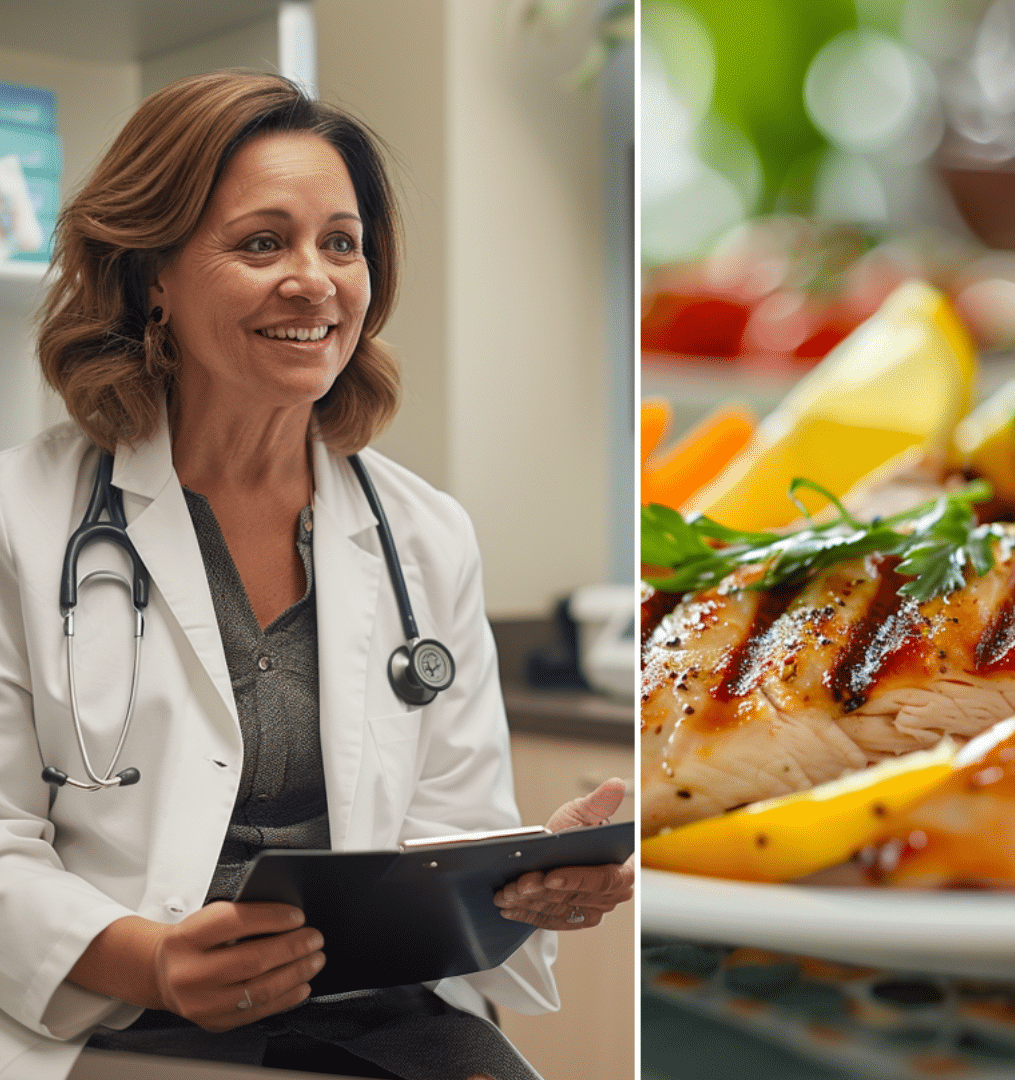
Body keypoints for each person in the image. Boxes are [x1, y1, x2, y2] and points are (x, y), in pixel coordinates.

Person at [0, 72, 631, 1080]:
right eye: (262, 243)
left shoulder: (423, 535)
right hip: (116, 1017)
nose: (316, 279)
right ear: (151, 272)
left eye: (341, 243)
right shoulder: (22, 519)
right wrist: (155, 963)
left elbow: (446, 826)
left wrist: (516, 874)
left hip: (382, 1014)